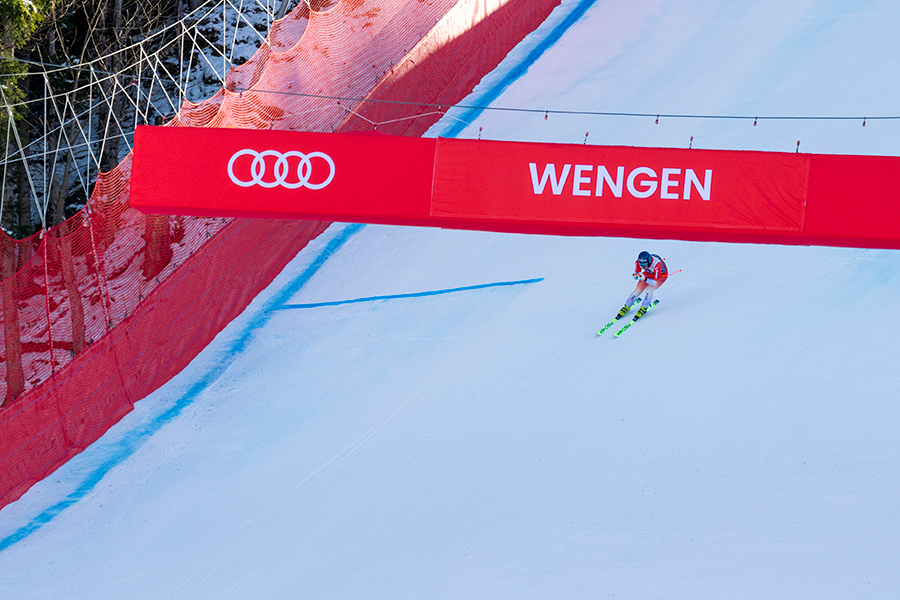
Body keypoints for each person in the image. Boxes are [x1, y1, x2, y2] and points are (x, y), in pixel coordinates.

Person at [617, 251, 668, 320]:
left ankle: (644, 308)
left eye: (644, 264)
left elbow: (655, 283)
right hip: (649, 272)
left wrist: (645, 279)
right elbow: (636, 272)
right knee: (638, 289)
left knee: (649, 290)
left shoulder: (657, 265)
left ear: (649, 261)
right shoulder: (638, 262)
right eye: (641, 264)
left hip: (661, 276)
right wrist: (635, 275)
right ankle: (627, 306)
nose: (643, 266)